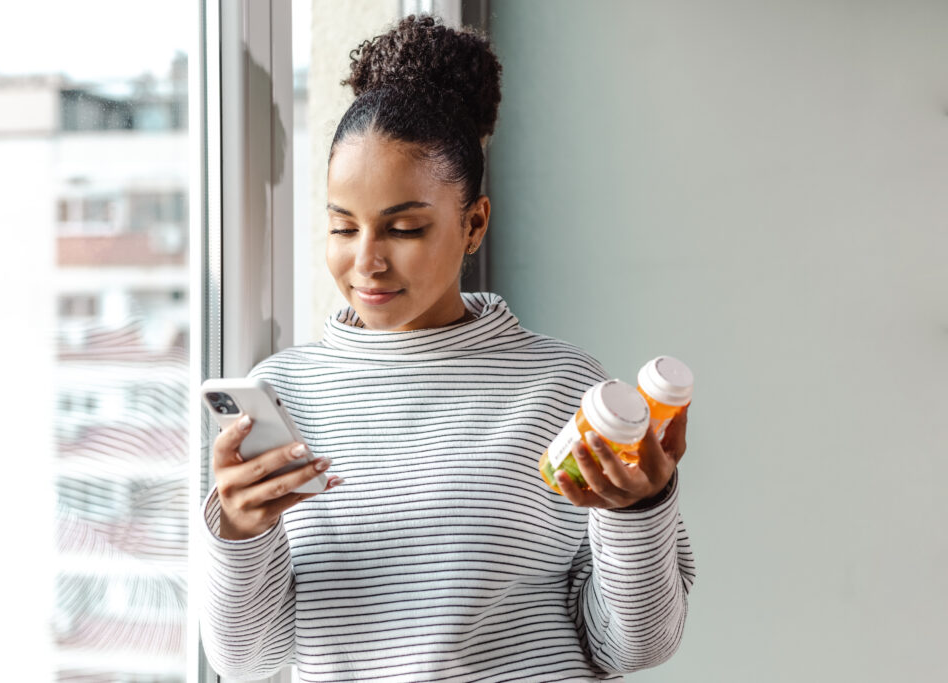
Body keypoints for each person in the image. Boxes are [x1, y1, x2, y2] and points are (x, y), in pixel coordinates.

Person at [199, 15, 695, 682]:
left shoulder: (561, 388)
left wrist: (639, 510)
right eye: (343, 226)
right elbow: (248, 660)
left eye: (403, 227)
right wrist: (239, 531)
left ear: (473, 224)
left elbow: (635, 645)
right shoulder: (284, 395)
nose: (366, 260)